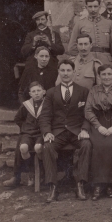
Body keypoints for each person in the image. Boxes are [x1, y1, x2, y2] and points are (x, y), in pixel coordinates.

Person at [38, 60, 92, 202]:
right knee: (47, 146)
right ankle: (53, 186)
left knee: (86, 144)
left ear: (74, 72)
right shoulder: (51, 92)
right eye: (63, 70)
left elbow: (88, 114)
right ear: (59, 72)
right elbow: (44, 115)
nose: (66, 73)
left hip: (76, 131)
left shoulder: (83, 91)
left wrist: (85, 129)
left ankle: (80, 184)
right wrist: (47, 132)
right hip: (58, 132)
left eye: (69, 70)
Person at [84, 64, 112, 200]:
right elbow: (88, 110)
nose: (107, 77)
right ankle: (97, 185)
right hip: (98, 122)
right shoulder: (93, 90)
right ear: (99, 76)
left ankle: (111, 184)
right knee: (97, 145)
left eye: (109, 74)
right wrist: (98, 126)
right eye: (103, 74)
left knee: (111, 145)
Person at [2, 81, 46, 188]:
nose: (36, 93)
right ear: (30, 94)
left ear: (44, 92)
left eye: (38, 91)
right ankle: (31, 171)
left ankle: (41, 172)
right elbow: (17, 118)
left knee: (38, 148)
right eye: (33, 91)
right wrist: (25, 127)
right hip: (28, 134)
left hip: (41, 134)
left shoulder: (47, 104)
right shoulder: (26, 105)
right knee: (23, 147)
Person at [67, 0, 112, 65]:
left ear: (100, 7)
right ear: (86, 7)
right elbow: (72, 47)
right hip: (86, 60)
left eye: (95, 6)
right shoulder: (80, 23)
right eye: (90, 7)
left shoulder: (109, 23)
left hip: (105, 61)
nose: (93, 9)